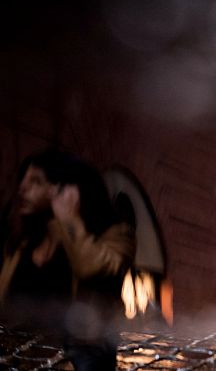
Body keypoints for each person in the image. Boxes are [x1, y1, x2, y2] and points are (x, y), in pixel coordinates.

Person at [0, 149, 135, 369]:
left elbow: (90, 267)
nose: (22, 188)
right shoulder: (22, 242)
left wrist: (70, 220)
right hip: (21, 360)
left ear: (67, 189)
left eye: (36, 181)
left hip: (77, 362)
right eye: (23, 180)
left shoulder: (117, 234)